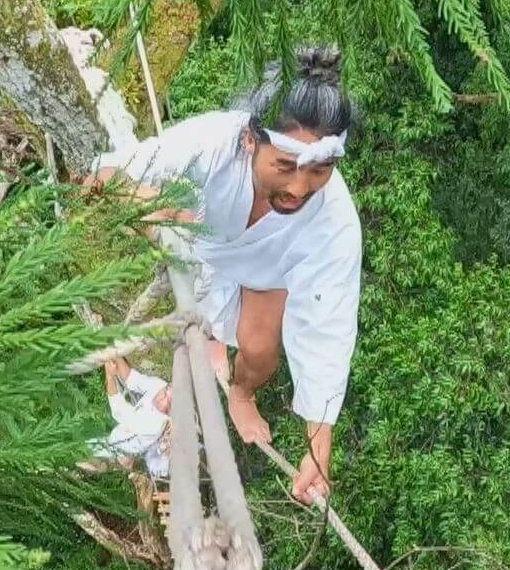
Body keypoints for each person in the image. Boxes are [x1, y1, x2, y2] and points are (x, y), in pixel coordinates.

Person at [89, 44, 361, 504]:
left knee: (260, 353)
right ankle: (210, 329)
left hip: (266, 272)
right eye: (285, 166)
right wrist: (155, 219)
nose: (299, 188)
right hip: (194, 233)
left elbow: (327, 328)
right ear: (250, 140)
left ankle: (241, 393)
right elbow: (114, 173)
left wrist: (318, 452)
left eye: (320, 171)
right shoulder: (214, 141)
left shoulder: (334, 222)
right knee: (175, 225)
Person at [86, 357, 173, 480]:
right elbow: (132, 378)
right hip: (110, 441)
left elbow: (119, 412)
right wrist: (115, 353)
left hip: (116, 456)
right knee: (75, 450)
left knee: (79, 464)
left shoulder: (155, 425)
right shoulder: (160, 386)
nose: (161, 396)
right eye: (165, 391)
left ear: (169, 413)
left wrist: (110, 376)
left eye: (167, 401)